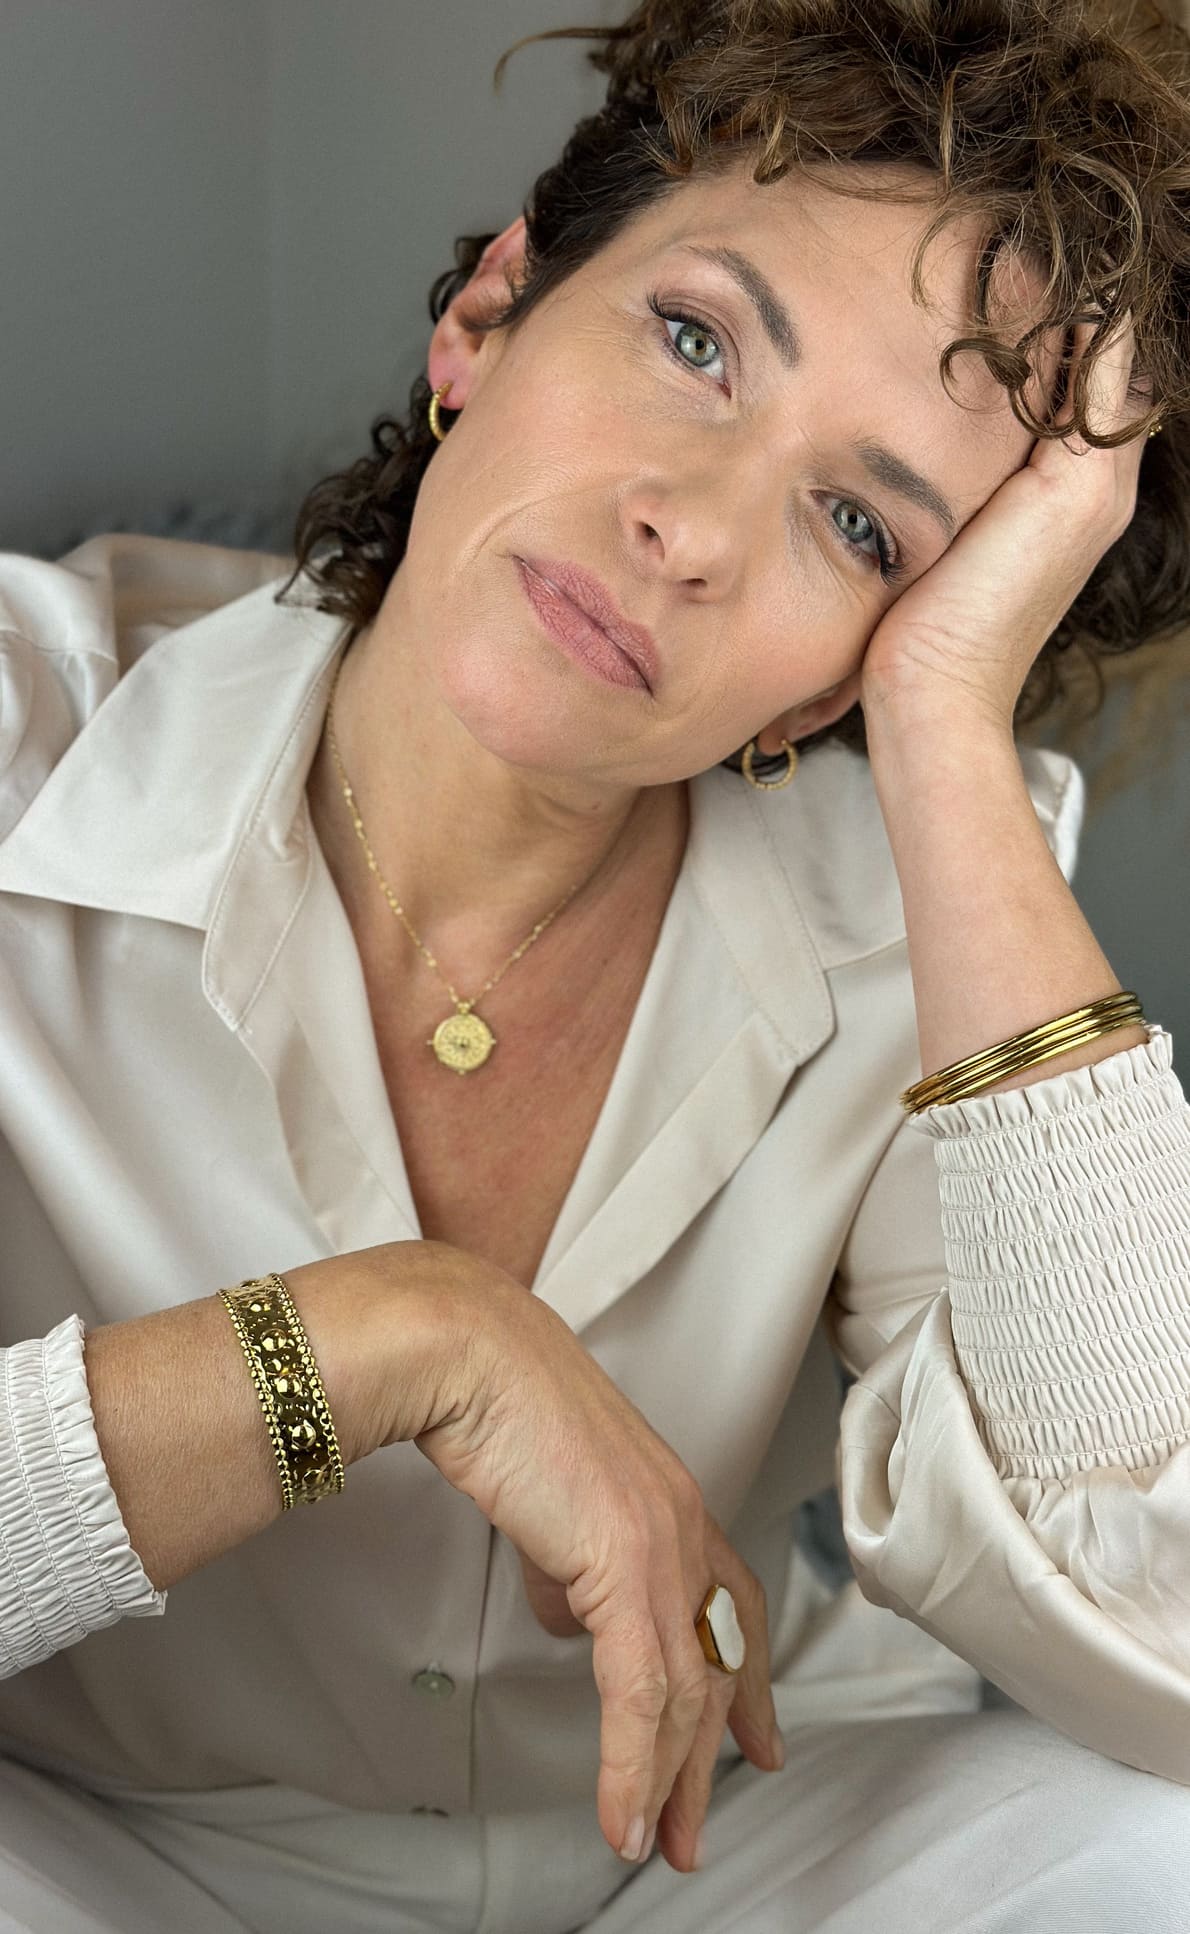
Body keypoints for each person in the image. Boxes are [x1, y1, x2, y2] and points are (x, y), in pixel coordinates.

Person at [1, 0, 1189, 1928]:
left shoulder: (917, 912)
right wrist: (398, 1338)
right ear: (490, 314)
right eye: (696, 340)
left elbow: (1164, 1641)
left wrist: (949, 727)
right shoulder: (24, 741)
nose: (689, 529)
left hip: (707, 1853)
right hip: (98, 1855)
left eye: (858, 524)